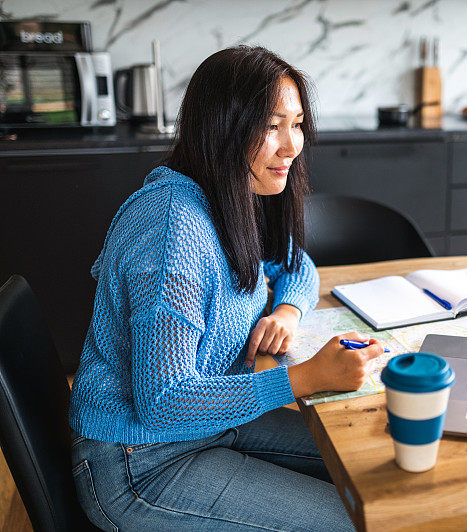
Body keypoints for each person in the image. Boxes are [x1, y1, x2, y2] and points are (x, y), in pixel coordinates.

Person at [68, 46, 383, 531]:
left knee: (375, 464)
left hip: (211, 422)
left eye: (296, 124)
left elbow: (296, 264)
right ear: (223, 128)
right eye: (272, 125)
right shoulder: (173, 228)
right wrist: (307, 378)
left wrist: (288, 312)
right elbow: (165, 401)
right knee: (359, 521)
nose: (291, 146)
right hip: (141, 461)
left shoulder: (230, 192)